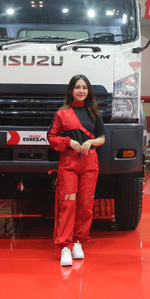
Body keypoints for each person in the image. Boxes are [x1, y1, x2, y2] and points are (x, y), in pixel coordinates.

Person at [47, 75, 106, 267]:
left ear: (88, 91)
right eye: (77, 87)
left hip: (90, 164)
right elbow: (52, 137)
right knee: (67, 203)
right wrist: (68, 142)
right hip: (69, 164)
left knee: (85, 204)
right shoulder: (62, 114)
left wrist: (91, 142)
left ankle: (78, 242)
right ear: (71, 90)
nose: (81, 91)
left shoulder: (94, 114)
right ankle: (65, 246)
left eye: (84, 87)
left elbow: (102, 139)